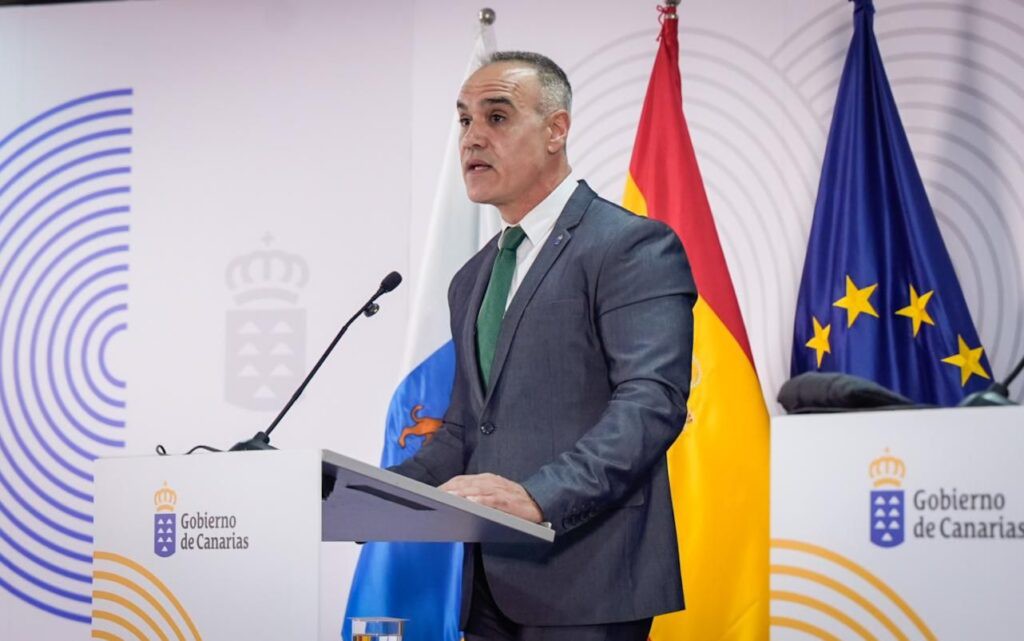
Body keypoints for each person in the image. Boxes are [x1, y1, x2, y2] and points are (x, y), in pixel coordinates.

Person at [390, 51, 695, 641]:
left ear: (556, 130)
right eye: (464, 120)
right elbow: (465, 428)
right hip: (486, 590)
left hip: (591, 580)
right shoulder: (471, 279)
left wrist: (541, 497)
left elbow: (651, 403)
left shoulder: (630, 246)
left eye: (497, 117)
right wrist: (379, 494)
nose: (472, 137)